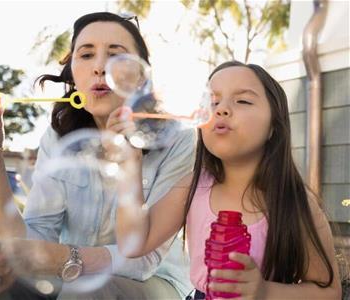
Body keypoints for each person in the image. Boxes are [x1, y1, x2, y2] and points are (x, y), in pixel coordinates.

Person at [0, 12, 195, 299]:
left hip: (157, 283)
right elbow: (29, 245)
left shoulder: (180, 140)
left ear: (141, 75)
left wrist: (62, 260)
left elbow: (142, 261)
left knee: (83, 294)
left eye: (116, 54)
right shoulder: (57, 137)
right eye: (87, 55)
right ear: (73, 74)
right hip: (67, 276)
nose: (100, 67)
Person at [115, 61, 343, 299]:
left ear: (273, 127)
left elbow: (330, 292)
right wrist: (130, 163)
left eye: (242, 100)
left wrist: (264, 291)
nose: (221, 109)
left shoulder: (295, 202)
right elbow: (134, 244)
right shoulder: (192, 186)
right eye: (212, 102)